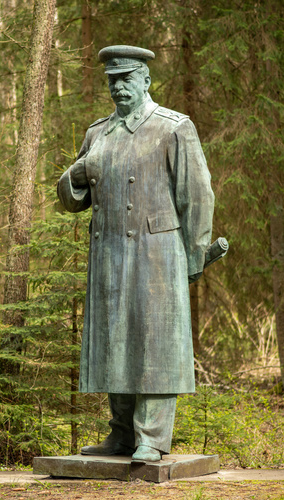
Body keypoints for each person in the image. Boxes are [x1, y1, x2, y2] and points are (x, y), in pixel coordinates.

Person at [57, 45, 214, 462]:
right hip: (107, 254)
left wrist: (194, 256)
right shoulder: (97, 134)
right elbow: (72, 200)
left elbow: (196, 196)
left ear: (146, 79)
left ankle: (152, 439)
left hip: (158, 254)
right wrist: (75, 173)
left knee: (155, 341)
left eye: (127, 78)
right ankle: (122, 435)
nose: (118, 87)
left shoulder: (173, 128)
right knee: (114, 341)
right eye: (112, 80)